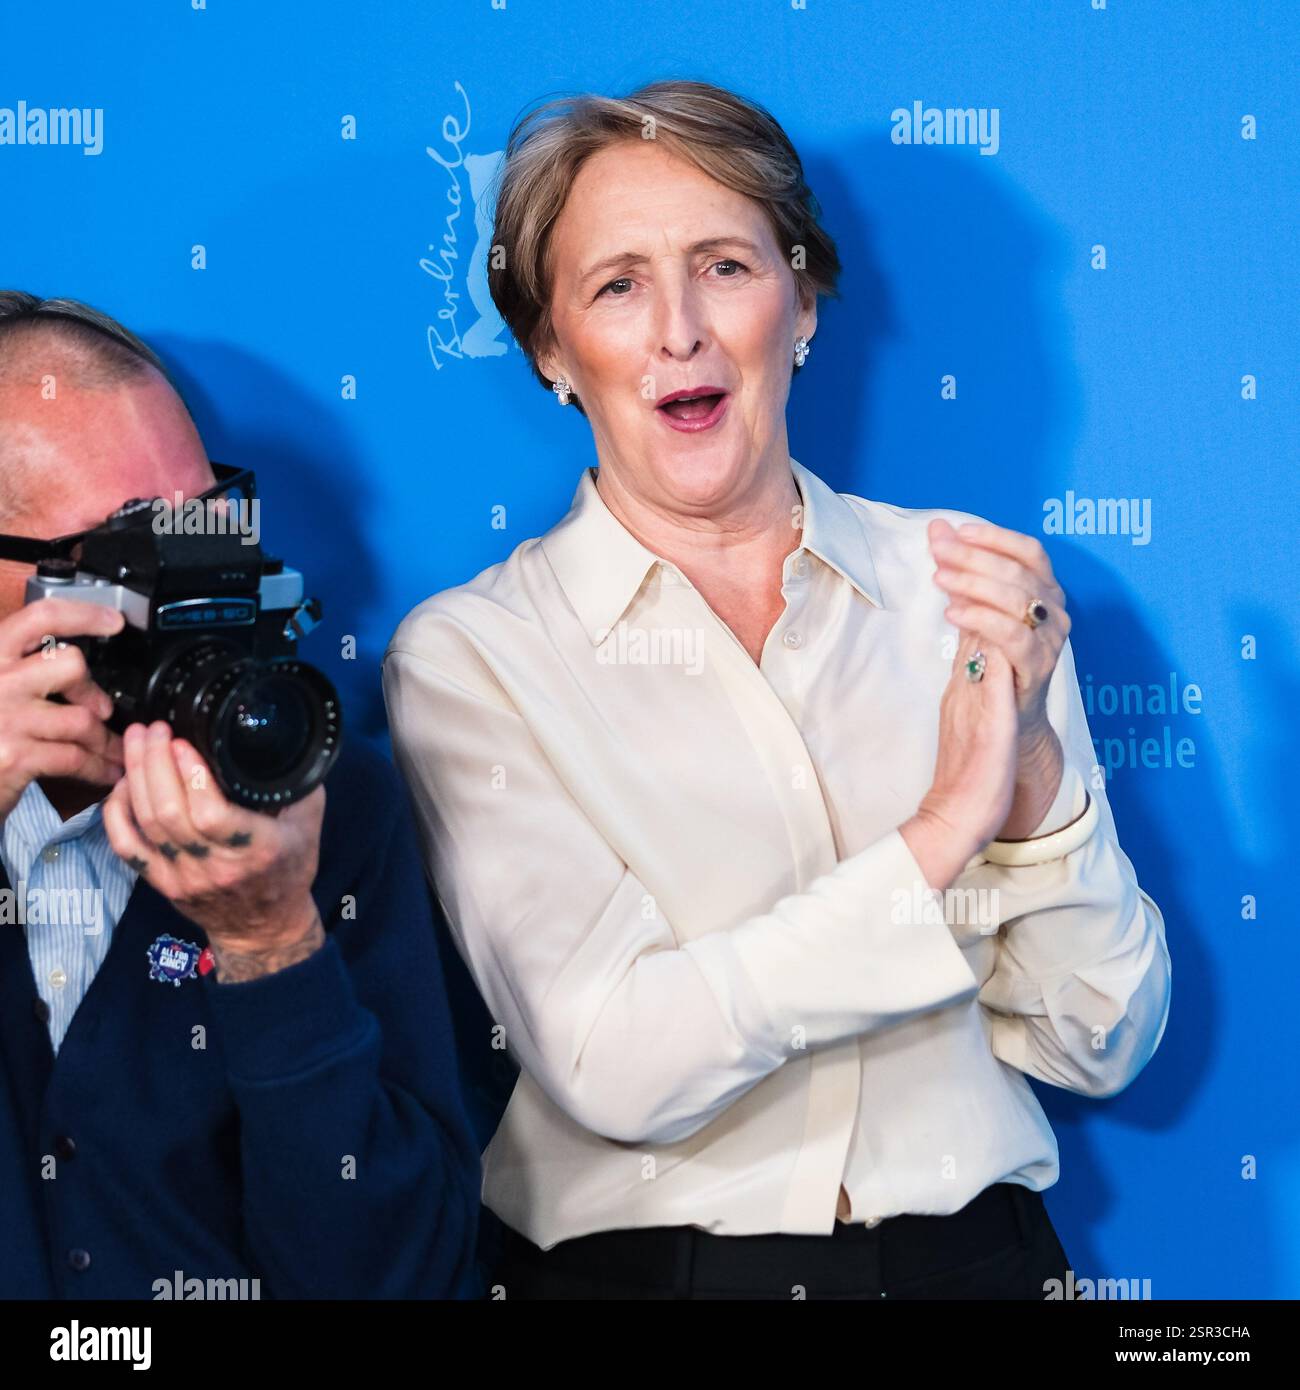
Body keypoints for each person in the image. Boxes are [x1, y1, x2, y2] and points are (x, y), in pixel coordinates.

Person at [381, 80, 1171, 1301]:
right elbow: (616, 1063)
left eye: (726, 267)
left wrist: (1027, 779)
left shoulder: (969, 589)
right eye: (617, 286)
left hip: (980, 1264)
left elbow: (1100, 1041)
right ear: (551, 352)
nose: (679, 331)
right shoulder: (473, 656)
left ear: (801, 300)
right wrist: (938, 835)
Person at [0, 292, 480, 1298]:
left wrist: (272, 947)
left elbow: (401, 1274)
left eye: (207, 522)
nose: (184, 581)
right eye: (122, 556)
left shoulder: (315, 791)